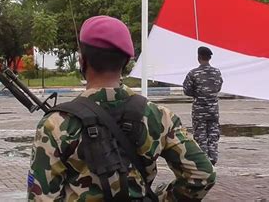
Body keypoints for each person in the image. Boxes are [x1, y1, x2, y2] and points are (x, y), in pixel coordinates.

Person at [28, 16, 215, 201]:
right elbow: (202, 175)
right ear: (126, 62)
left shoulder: (56, 123)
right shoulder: (159, 116)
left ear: (82, 60)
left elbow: (41, 198)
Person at [183, 47, 223, 166]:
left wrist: (198, 94)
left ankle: (203, 161)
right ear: (210, 58)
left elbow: (187, 90)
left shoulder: (193, 73)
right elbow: (218, 87)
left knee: (200, 135)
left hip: (199, 110)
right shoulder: (217, 72)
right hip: (213, 110)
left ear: (199, 57)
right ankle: (213, 158)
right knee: (213, 134)